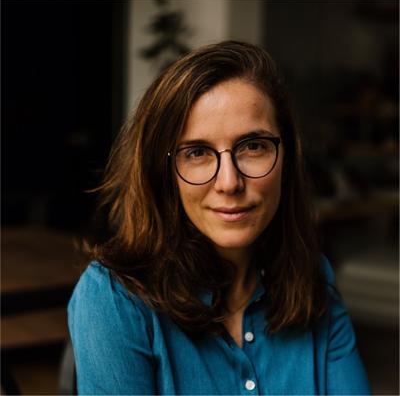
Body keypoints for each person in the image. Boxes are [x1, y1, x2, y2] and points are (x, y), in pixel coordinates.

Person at [68, 41, 371, 395]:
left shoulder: (313, 278)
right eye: (197, 152)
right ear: (164, 171)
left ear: (286, 157)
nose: (229, 182)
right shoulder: (113, 299)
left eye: (253, 146)